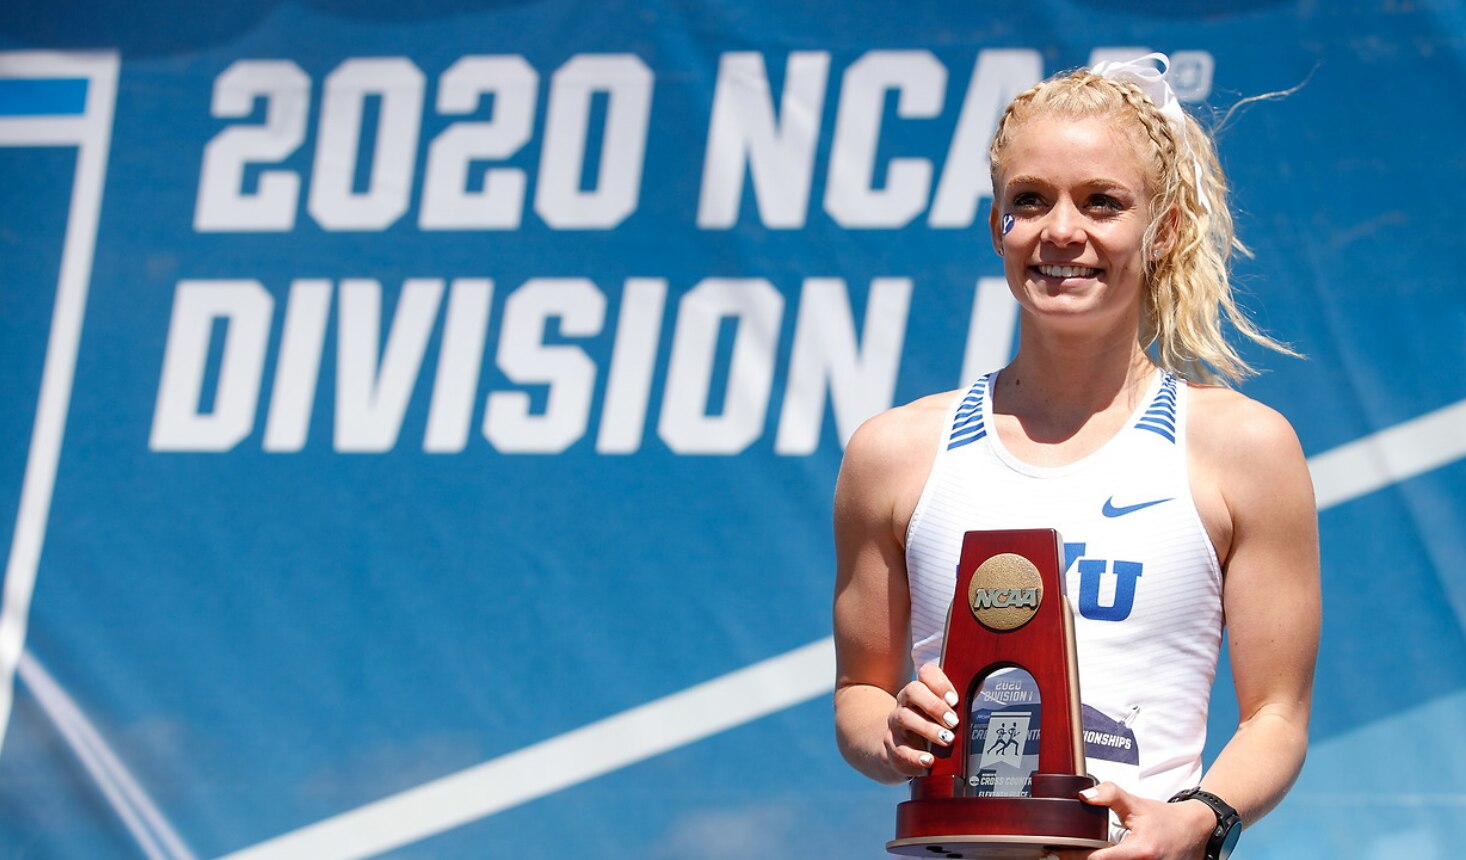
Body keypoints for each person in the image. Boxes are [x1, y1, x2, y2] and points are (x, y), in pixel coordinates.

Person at [832, 54, 1320, 860]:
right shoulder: (895, 453)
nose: (1063, 231)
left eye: (1102, 202)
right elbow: (859, 694)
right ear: (998, 226)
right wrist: (890, 734)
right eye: (1031, 201)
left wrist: (1197, 820)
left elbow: (1278, 716)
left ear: (1161, 229)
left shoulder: (1243, 449)